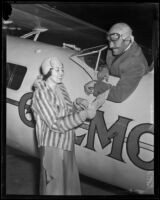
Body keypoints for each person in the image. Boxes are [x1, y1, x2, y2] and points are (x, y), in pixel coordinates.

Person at [31, 56, 98, 195]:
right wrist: (84, 115)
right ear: (47, 72)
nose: (61, 73)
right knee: (54, 189)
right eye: (57, 70)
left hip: (67, 144)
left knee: (69, 188)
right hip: (52, 148)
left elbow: (67, 114)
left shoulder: (60, 87)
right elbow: (55, 124)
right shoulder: (41, 93)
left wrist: (78, 104)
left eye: (62, 69)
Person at [84, 22, 150, 103]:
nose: (110, 46)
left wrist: (96, 86)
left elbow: (119, 95)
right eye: (109, 41)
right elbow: (115, 63)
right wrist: (105, 68)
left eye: (114, 42)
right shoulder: (117, 47)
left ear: (127, 40)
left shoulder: (136, 64)